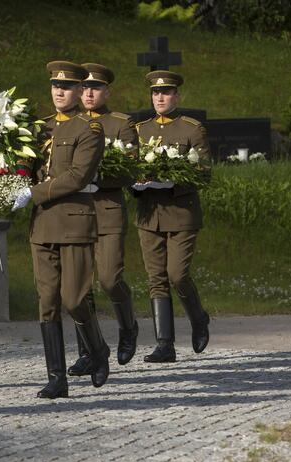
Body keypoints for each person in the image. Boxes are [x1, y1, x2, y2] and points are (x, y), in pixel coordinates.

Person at [12, 61, 110, 398]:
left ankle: (97, 351)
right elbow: (27, 164)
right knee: (47, 302)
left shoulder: (90, 129)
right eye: (55, 85)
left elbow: (77, 177)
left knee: (75, 299)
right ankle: (57, 378)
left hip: (73, 223)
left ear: (80, 91)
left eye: (66, 87)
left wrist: (32, 193)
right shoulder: (39, 128)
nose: (59, 91)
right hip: (42, 226)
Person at [133, 70, 211, 363]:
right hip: (150, 214)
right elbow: (130, 168)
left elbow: (204, 174)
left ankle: (199, 318)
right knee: (156, 278)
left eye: (166, 93)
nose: (160, 98)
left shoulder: (191, 129)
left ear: (177, 96)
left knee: (177, 274)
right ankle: (164, 344)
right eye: (155, 93)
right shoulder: (140, 130)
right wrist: (136, 185)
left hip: (181, 214)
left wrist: (174, 182)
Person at [68, 63, 139, 377]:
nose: (88, 93)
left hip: (106, 210)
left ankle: (128, 326)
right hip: (74, 214)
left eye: (95, 88)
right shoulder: (69, 124)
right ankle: (89, 350)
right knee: (79, 287)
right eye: (83, 88)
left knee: (109, 279)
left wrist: (99, 177)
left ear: (107, 91)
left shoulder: (121, 124)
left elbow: (130, 170)